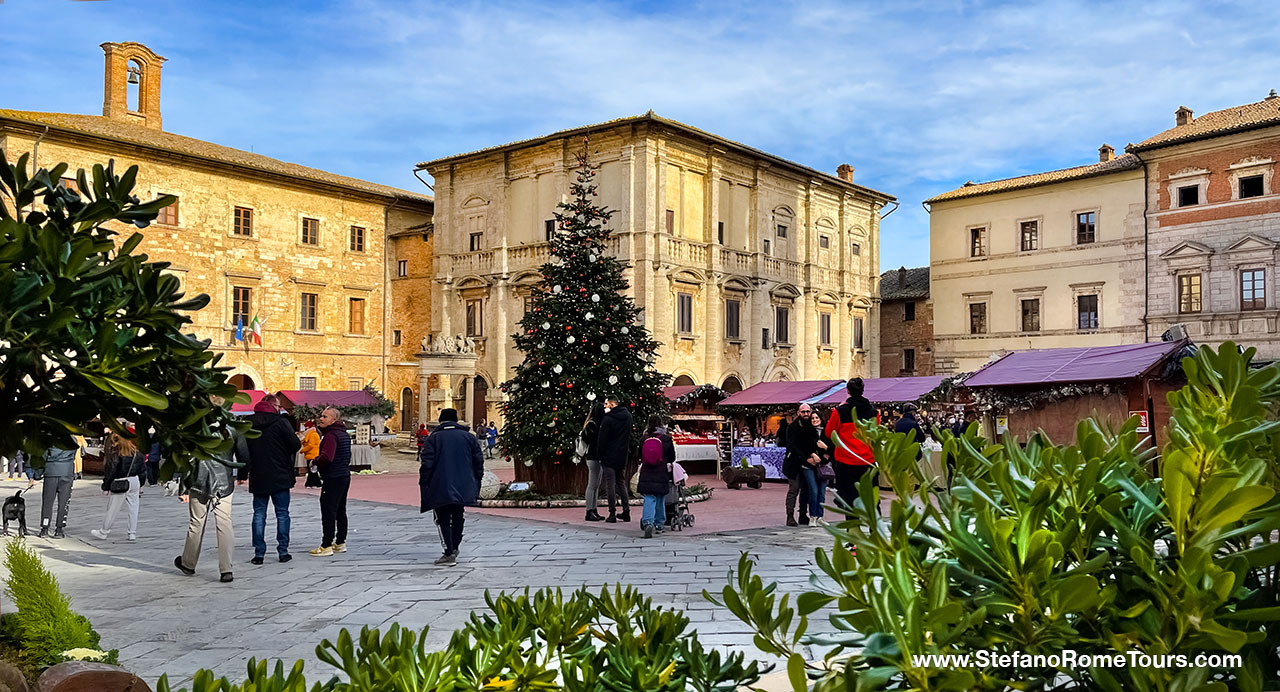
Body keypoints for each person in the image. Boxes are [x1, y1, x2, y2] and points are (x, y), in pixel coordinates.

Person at [176, 398, 247, 583]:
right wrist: (242, 475)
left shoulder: (193, 425)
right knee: (224, 523)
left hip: (198, 480)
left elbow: (186, 458)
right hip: (224, 481)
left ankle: (188, 563)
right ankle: (226, 568)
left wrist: (183, 485)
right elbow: (244, 454)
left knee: (196, 523)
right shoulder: (234, 426)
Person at [419, 408, 484, 565]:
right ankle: (455, 547)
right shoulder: (469, 438)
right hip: (463, 484)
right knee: (458, 515)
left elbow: (427, 464)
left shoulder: (433, 439)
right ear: (456, 420)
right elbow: (478, 462)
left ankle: (449, 551)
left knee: (442, 518)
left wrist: (424, 483)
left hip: (440, 484)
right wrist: (476, 481)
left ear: (441, 421)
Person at [241, 396, 301, 565]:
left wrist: (243, 471)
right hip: (280, 474)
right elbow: (295, 445)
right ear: (272, 406)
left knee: (259, 514)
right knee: (282, 514)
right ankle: (283, 551)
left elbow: (243, 450)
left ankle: (259, 553)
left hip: (259, 475)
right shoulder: (281, 422)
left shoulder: (248, 423)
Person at [825, 378, 878, 510]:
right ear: (863, 391)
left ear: (847, 391)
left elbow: (829, 433)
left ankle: (852, 529)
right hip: (867, 460)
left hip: (846, 461)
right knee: (872, 499)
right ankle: (874, 528)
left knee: (849, 500)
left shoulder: (840, 411)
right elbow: (876, 434)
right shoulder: (873, 413)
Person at [311, 406, 351, 557]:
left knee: (328, 510)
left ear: (334, 419)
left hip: (333, 477)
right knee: (340, 509)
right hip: (344, 476)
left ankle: (326, 544)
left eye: (325, 416)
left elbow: (327, 457)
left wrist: (315, 462)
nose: (321, 419)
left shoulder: (331, 435)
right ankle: (340, 542)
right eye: (321, 416)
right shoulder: (343, 434)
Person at [91, 432, 145, 541]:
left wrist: (105, 486)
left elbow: (111, 471)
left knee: (112, 508)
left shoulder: (116, 453)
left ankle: (104, 531)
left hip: (121, 482)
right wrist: (141, 484)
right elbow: (143, 470)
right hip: (135, 480)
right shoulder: (136, 453)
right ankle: (132, 533)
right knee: (133, 509)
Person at [596, 395, 633, 523]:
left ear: (612, 404)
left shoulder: (608, 419)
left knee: (610, 484)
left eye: (606, 404)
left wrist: (600, 455)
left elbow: (603, 439)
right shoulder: (628, 416)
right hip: (622, 454)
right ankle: (626, 511)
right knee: (621, 482)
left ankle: (612, 513)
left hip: (609, 455)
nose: (604, 406)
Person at [637, 415, 675, 539]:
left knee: (649, 497)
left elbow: (639, 456)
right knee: (660, 497)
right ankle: (659, 525)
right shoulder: (666, 438)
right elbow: (672, 457)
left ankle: (648, 522)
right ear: (661, 424)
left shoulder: (644, 438)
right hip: (661, 472)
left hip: (647, 472)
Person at [782, 405, 817, 527]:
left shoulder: (811, 427)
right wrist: (807, 457)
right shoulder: (792, 427)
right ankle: (790, 515)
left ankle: (803, 514)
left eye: (808, 411)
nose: (806, 414)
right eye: (803, 412)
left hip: (807, 463)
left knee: (806, 489)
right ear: (798, 413)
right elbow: (792, 446)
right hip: (794, 463)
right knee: (794, 489)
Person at [38, 440, 80, 539]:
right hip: (67, 471)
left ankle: (45, 528)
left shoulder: (49, 440)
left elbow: (42, 458)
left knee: (47, 502)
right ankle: (59, 529)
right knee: (64, 502)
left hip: (51, 471)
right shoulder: (73, 439)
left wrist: (37, 475)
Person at [806, 411, 833, 524]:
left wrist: (826, 447)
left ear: (821, 419)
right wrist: (812, 454)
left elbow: (833, 449)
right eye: (812, 418)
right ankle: (813, 516)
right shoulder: (806, 432)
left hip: (823, 466)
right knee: (814, 491)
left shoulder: (827, 432)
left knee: (821, 492)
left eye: (817, 417)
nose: (815, 420)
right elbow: (803, 446)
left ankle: (820, 516)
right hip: (810, 465)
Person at [581, 404, 606, 522]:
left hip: (594, 457)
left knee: (595, 485)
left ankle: (593, 509)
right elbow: (593, 441)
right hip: (593, 457)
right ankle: (589, 510)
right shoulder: (593, 425)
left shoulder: (592, 423)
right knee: (592, 485)